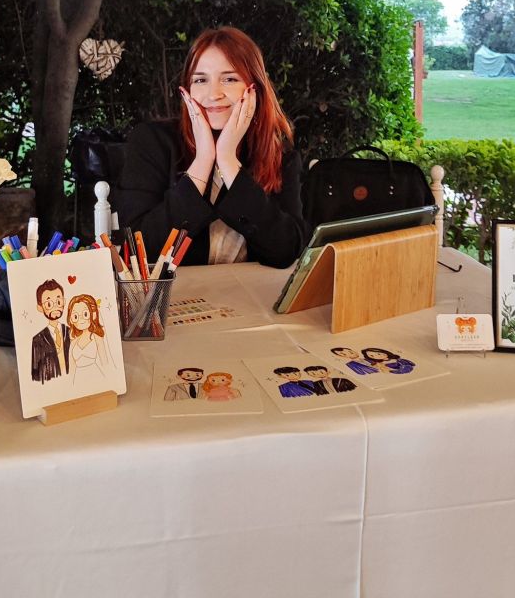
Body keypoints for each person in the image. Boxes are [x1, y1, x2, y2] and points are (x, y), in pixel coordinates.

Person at [116, 27, 308, 267]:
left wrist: (228, 161)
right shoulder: (152, 143)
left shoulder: (279, 154)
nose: (213, 94)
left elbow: (286, 251)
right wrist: (203, 161)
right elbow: (138, 252)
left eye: (229, 79)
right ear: (187, 90)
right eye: (200, 80)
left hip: (249, 296)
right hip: (177, 298)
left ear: (253, 88)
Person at [31, 279, 70, 384]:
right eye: (48, 304)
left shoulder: (70, 332)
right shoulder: (37, 339)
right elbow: (35, 375)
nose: (55, 307)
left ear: (64, 302)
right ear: (40, 308)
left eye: (58, 301)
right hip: (52, 387)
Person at [67, 294, 113, 379]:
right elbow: (71, 368)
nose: (81, 320)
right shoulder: (73, 343)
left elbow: (105, 362)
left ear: (94, 314)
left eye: (85, 314)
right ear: (71, 319)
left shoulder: (96, 338)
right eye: (75, 316)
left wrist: (109, 379)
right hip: (78, 378)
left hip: (95, 375)